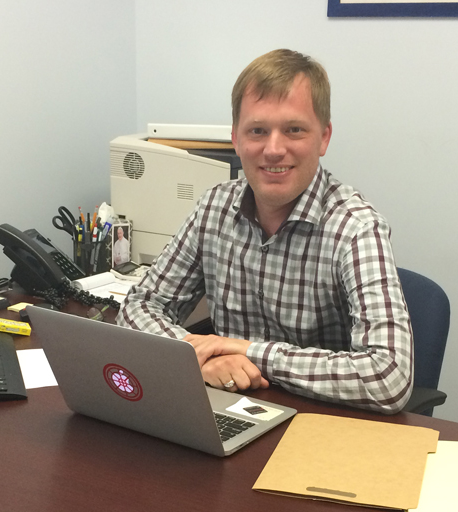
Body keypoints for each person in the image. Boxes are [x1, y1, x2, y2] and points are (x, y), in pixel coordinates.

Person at [118, 49, 413, 414]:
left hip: (320, 425)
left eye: (294, 130)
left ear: (323, 137)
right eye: (257, 131)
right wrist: (201, 356)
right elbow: (140, 305)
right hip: (229, 409)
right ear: (236, 139)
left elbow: (389, 377)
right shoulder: (214, 207)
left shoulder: (356, 228)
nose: (274, 149)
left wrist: (247, 352)